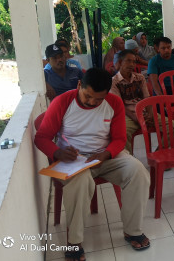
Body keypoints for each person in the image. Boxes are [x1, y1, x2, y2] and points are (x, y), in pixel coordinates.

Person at [34, 68, 151, 260]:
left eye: (98, 99)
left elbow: (120, 138)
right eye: (88, 96)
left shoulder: (114, 102)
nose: (91, 102)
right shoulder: (63, 102)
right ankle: (74, 241)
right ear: (79, 85)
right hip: (73, 160)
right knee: (81, 184)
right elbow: (42, 137)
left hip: (105, 156)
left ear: (107, 94)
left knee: (137, 172)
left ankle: (132, 230)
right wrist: (58, 152)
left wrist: (106, 154)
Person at [109, 50, 174, 154]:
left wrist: (150, 114)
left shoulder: (140, 78)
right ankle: (130, 161)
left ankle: (159, 153)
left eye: (134, 62)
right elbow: (121, 106)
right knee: (123, 133)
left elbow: (147, 99)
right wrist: (137, 118)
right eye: (128, 61)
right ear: (120, 62)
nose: (132, 65)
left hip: (145, 113)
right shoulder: (113, 82)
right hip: (129, 116)